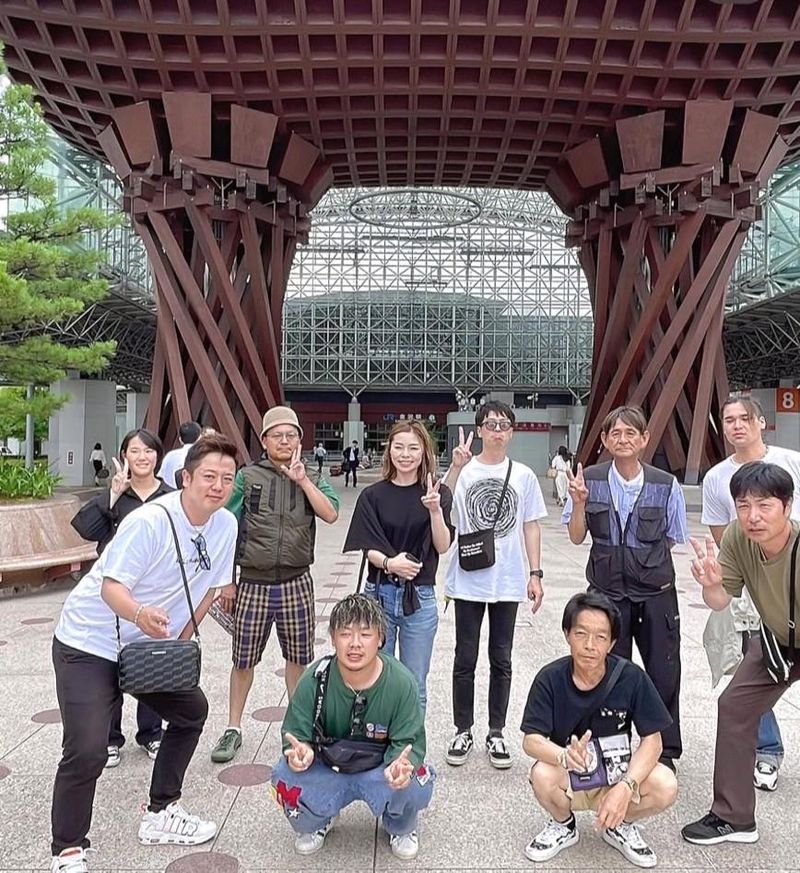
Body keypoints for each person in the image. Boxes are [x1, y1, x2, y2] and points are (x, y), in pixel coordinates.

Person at [49, 434, 239, 873]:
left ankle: (161, 812)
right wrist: (140, 614)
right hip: (89, 642)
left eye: (227, 479)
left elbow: (211, 589)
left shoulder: (226, 525)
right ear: (185, 478)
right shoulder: (149, 522)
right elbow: (111, 588)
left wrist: (179, 641)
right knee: (88, 748)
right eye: (209, 476)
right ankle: (68, 849)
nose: (218, 486)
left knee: (191, 711)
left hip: (147, 647)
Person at [210, 406, 340, 764]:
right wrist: (226, 582)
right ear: (264, 440)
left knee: (297, 658)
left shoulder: (311, 474)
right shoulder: (246, 477)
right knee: (243, 659)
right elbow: (224, 527)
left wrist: (303, 481)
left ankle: (297, 728)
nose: (285, 441)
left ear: (300, 439)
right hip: (253, 580)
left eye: (291, 435)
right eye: (277, 435)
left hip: (297, 579)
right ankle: (233, 727)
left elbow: (331, 513)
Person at [563, 405, 688, 771]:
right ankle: (609, 746)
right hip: (605, 594)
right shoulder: (589, 479)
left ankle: (663, 752)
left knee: (663, 672)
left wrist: (640, 562)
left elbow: (672, 536)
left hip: (655, 592)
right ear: (604, 440)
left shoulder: (665, 484)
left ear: (645, 438)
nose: (623, 439)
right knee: (606, 670)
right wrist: (579, 503)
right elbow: (575, 536)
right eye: (615, 433)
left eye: (631, 432)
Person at [682, 462, 800, 846]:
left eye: (765, 505)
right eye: (744, 505)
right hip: (778, 640)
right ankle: (733, 816)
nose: (753, 516)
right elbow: (720, 600)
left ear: (787, 506)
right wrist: (710, 584)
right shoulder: (737, 536)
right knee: (734, 706)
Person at [271, 594, 434, 860]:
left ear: (380, 638)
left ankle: (400, 826)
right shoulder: (316, 678)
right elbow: (296, 734)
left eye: (365, 634)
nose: (355, 643)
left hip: (379, 769)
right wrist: (301, 753)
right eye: (345, 634)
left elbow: (409, 742)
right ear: (333, 638)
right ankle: (317, 819)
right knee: (283, 776)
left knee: (417, 779)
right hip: (329, 766)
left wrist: (400, 765)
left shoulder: (401, 682)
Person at [521, 591, 677, 868]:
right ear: (567, 634)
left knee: (665, 783)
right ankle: (563, 825)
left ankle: (621, 823)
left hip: (617, 774)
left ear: (612, 642)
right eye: (581, 634)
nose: (590, 645)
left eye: (601, 637)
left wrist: (627, 786)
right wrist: (563, 756)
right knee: (541, 773)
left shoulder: (632, 678)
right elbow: (531, 740)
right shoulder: (549, 678)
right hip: (571, 773)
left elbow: (653, 742)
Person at [700, 396, 800, 792]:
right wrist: (715, 583)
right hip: (765, 611)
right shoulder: (717, 482)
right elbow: (725, 562)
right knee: (740, 696)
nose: (753, 515)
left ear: (761, 422)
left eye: (745, 418)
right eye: (729, 420)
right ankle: (735, 805)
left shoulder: (791, 462)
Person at [442, 401, 547, 770]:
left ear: (512, 432)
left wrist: (536, 574)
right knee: (464, 658)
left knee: (501, 658)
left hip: (507, 579)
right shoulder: (464, 470)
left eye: (504, 425)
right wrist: (455, 467)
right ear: (479, 430)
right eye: (490, 424)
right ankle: (462, 729)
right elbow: (442, 506)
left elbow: (531, 525)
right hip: (469, 579)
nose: (497, 431)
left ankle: (496, 731)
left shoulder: (523, 475)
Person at [71, 428, 172, 767]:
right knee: (110, 664)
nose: (142, 457)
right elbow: (86, 530)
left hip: (155, 592)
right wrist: (113, 494)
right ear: (124, 456)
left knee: (152, 663)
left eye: (148, 451)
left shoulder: (170, 497)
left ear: (158, 456)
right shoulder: (118, 495)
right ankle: (111, 737)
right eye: (134, 451)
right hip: (115, 594)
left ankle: (151, 733)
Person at [343, 420, 454, 713]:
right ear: (389, 450)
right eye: (399, 447)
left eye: (413, 448)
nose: (405, 454)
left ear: (424, 452)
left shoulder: (438, 493)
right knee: (373, 677)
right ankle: (375, 738)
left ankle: (410, 741)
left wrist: (435, 511)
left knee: (414, 683)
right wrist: (391, 564)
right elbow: (367, 545)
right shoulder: (373, 495)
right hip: (379, 594)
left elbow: (443, 545)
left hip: (420, 598)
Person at [159, 421, 202, 489]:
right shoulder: (202, 456)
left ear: (180, 440)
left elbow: (160, 475)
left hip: (167, 492)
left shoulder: (170, 455)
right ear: (200, 438)